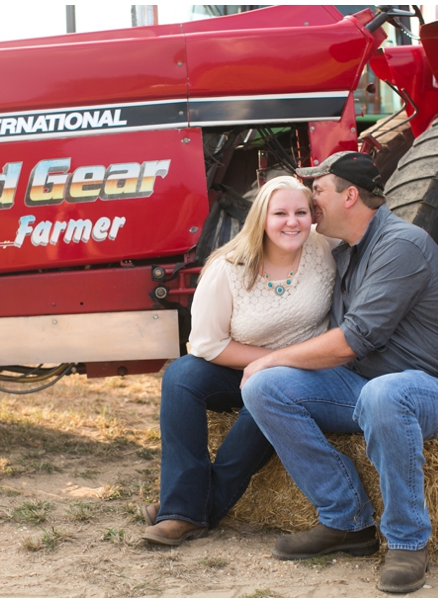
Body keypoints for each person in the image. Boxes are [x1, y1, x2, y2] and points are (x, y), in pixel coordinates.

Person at [239, 152, 438, 594]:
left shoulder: (402, 245)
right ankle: (346, 521)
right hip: (366, 386)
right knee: (266, 388)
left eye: (319, 190)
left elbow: (352, 340)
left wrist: (271, 355)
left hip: (431, 390)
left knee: (382, 395)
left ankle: (407, 543)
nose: (311, 202)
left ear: (350, 196)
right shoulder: (347, 253)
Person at [141, 176, 337, 546]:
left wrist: (280, 365)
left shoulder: (325, 248)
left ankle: (184, 511)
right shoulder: (229, 268)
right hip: (237, 367)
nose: (292, 222)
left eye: (300, 212)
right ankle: (186, 504)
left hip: (303, 375)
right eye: (280, 213)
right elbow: (205, 344)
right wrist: (268, 361)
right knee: (181, 375)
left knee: (269, 392)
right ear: (261, 218)